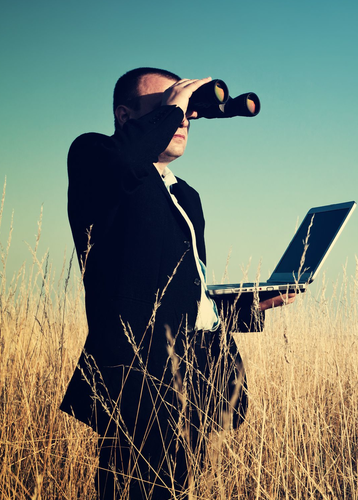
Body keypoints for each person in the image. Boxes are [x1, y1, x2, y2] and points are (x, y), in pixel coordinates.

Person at [60, 67, 292, 499]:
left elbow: (184, 293)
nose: (183, 118)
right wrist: (174, 107)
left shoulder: (186, 196)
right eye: (169, 107)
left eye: (187, 111)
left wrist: (248, 307)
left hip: (194, 378)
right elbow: (129, 164)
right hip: (139, 376)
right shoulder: (94, 155)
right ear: (125, 116)